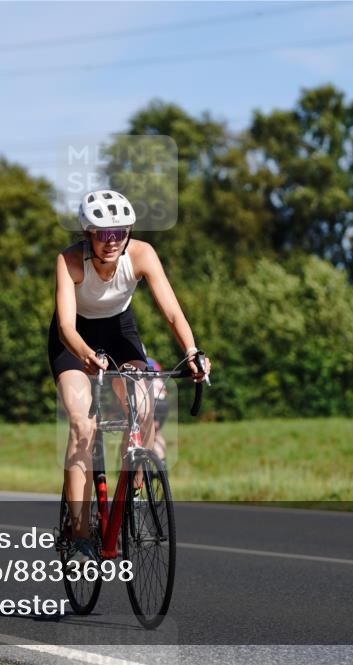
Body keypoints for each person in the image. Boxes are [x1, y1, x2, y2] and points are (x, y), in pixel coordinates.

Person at [50, 189, 210, 564]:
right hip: (75, 340)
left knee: (144, 405)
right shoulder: (70, 261)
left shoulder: (141, 255)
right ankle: (81, 534)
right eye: (103, 233)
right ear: (88, 233)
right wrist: (86, 356)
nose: (112, 241)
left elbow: (171, 311)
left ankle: (130, 490)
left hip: (120, 332)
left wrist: (191, 351)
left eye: (119, 233)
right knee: (82, 425)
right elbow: (65, 328)